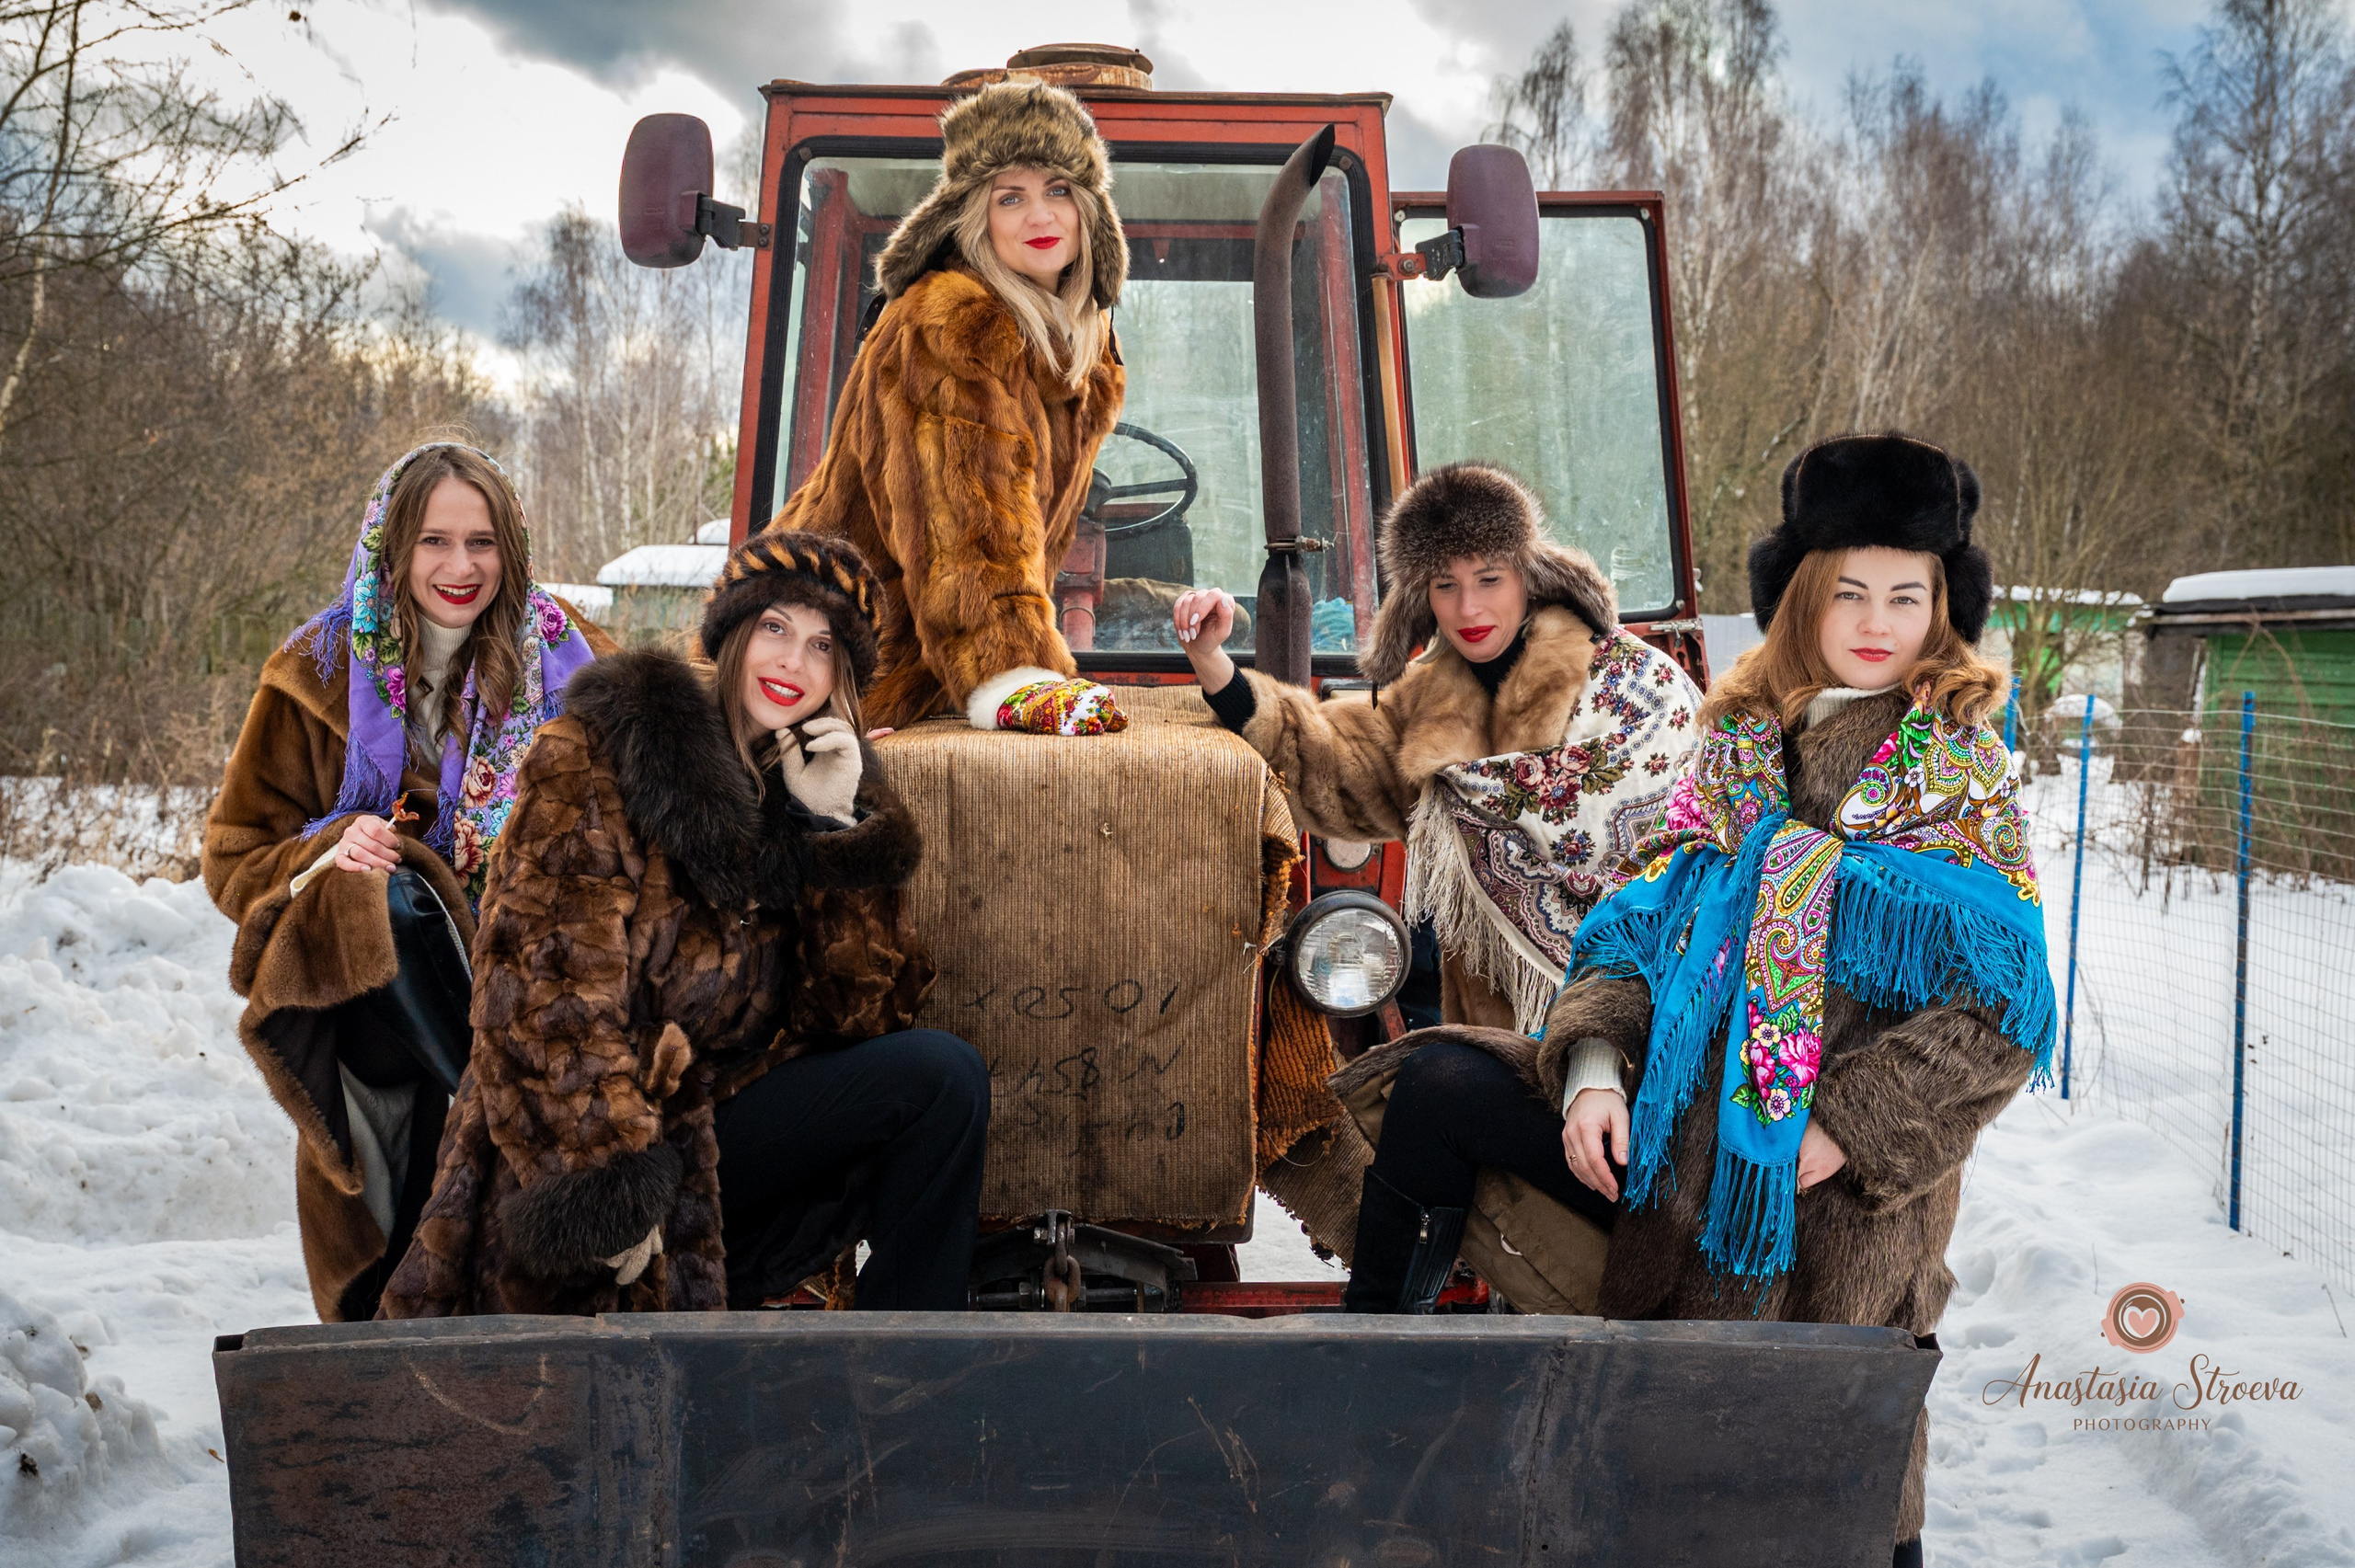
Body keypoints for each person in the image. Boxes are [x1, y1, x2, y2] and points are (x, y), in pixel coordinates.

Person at [1548, 432, 2055, 1568]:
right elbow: (1640, 921)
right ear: (1801, 597)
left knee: (1847, 1505)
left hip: (1844, 1218)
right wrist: (1592, 1067)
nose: (1878, 620)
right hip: (1684, 1187)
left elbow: (2003, 1013)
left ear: (1942, 609)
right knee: (1683, 1500)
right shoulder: (1734, 751)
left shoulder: (1954, 767)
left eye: (1908, 594)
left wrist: (1845, 1124)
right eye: (1849, 590)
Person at [380, 532, 987, 1317]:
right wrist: (608, 1184)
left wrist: (833, 830)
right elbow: (539, 996)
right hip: (590, 1143)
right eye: (774, 627)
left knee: (942, 1081)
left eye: (821, 645)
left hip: (716, 1130)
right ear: (733, 635)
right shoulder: (599, 754)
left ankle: (907, 1384)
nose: (791, 663)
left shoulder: (810, 780)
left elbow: (858, 1022)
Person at [1171, 463, 1704, 1313]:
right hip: (1516, 1059)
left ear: (1530, 571)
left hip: (1644, 1061)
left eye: (1488, 579)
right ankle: (1393, 1337)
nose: (1468, 608)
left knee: (1426, 1091)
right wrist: (1216, 668)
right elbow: (1341, 764)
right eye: (1444, 585)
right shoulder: (1434, 691)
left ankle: (1384, 1337)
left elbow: (1677, 887)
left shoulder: (1636, 693)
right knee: (1424, 1092)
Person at [202, 441, 613, 1323]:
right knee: (386, 889)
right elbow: (235, 857)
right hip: (370, 1003)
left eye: (482, 541)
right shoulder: (314, 669)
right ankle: (508, 1109)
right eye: (433, 540)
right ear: (393, 546)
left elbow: (665, 767)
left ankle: (496, 1108)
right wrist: (327, 846)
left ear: (513, 545)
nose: (460, 567)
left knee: (475, 1263)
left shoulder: (568, 655)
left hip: (523, 986)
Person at [764, 78, 1131, 738]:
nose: (1040, 217)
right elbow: (969, 525)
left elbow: (1030, 544)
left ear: (1088, 209)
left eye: (1058, 191)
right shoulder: (951, 326)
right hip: (828, 658)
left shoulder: (1083, 353)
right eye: (1009, 197)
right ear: (975, 216)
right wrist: (1015, 675)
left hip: (926, 664)